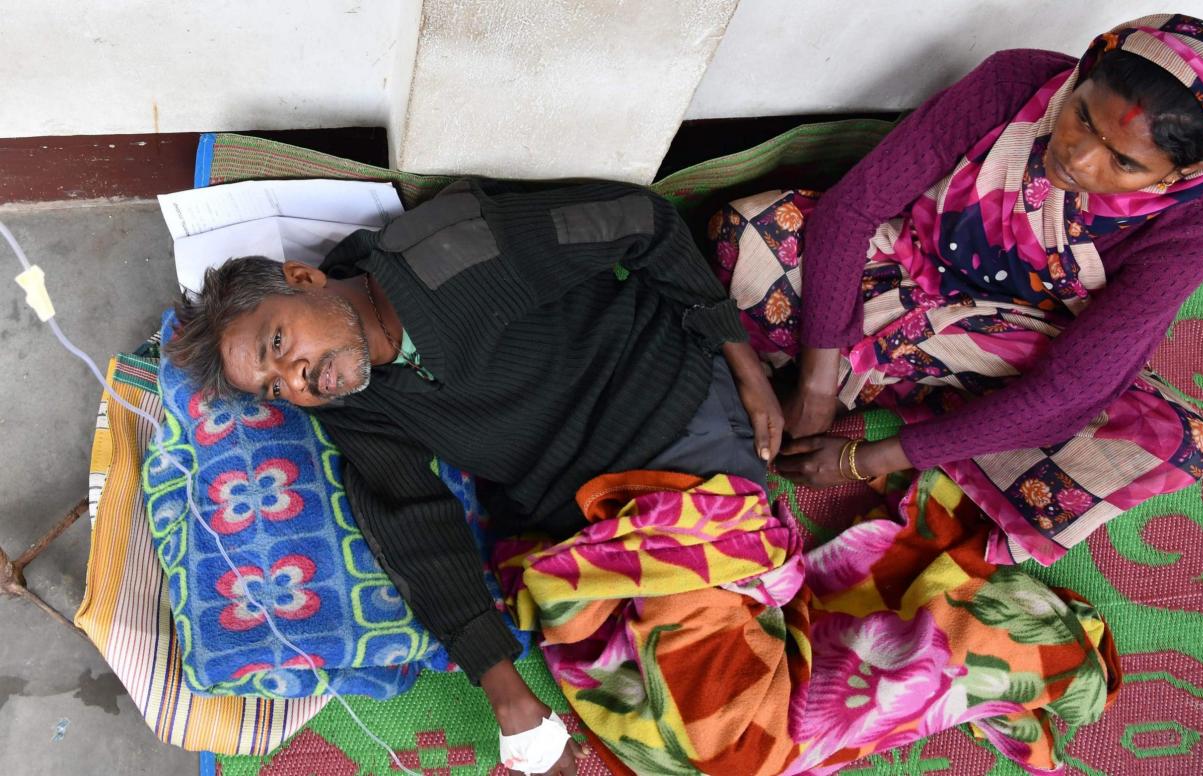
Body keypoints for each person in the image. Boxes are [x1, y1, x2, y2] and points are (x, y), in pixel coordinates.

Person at [165, 179, 786, 775]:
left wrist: (744, 364)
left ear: (304, 279)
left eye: (279, 341)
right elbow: (412, 519)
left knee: (729, 722)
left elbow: (641, 221)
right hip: (577, 523)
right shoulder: (352, 398)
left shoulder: (455, 248)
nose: (297, 378)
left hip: (670, 430)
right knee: (642, 721)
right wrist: (506, 693)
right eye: (276, 387)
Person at [709, 13, 1203, 565]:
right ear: (1087, 71)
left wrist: (869, 460)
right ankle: (861, 383)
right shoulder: (1015, 84)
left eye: (1123, 161)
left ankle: (922, 412)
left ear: (1176, 175)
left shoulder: (1189, 234)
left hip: (1013, 343)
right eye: (1083, 117)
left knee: (1174, 443)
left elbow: (1070, 390)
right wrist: (817, 384)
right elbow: (852, 210)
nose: (1079, 156)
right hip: (902, 261)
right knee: (751, 227)